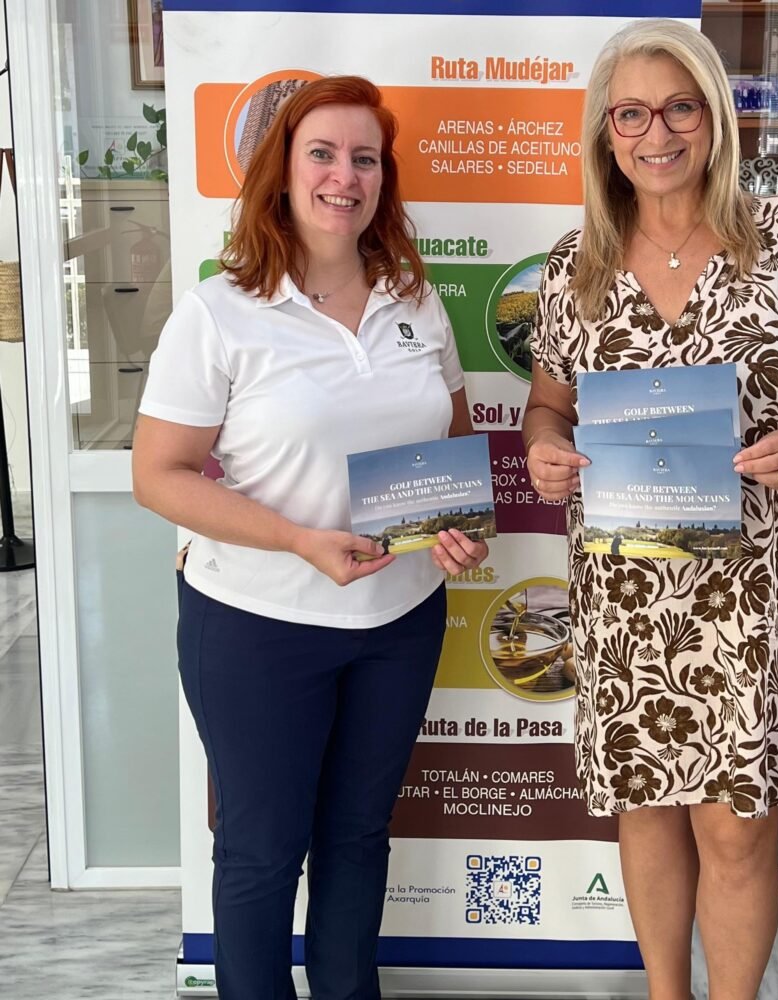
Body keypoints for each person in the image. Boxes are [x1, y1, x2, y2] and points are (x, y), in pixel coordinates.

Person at [523, 20, 778, 1000]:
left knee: (735, 828)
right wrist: (543, 449)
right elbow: (548, 405)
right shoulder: (575, 264)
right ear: (606, 132)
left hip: (755, 590)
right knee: (645, 810)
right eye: (632, 114)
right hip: (629, 591)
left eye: (679, 107)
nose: (658, 133)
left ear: (715, 118)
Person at [132, 76, 487, 1000]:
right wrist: (296, 539)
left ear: (383, 178)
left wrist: (458, 529)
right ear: (282, 173)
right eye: (321, 154)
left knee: (358, 838)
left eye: (365, 158)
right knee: (261, 851)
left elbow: (451, 437)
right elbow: (158, 475)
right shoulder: (220, 311)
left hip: (398, 621)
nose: (344, 176)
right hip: (257, 624)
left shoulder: (415, 298)